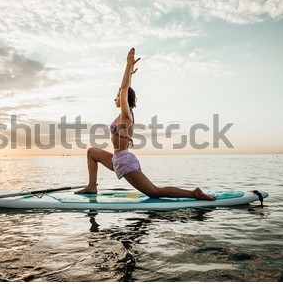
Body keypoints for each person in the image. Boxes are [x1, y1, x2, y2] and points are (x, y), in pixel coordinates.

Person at [76, 48, 215, 200]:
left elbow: (124, 89)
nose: (115, 99)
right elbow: (125, 89)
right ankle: (91, 187)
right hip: (116, 159)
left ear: (124, 100)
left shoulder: (126, 116)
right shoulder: (121, 115)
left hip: (124, 161)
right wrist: (129, 75)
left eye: (117, 96)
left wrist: (128, 66)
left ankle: (194, 193)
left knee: (154, 192)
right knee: (91, 152)